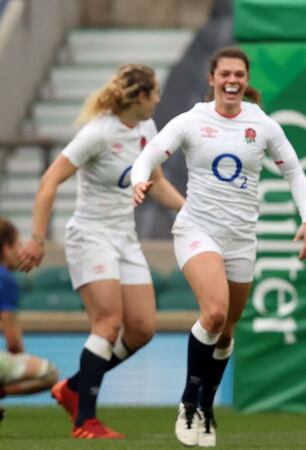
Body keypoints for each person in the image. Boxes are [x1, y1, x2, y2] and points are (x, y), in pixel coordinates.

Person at [130, 46, 306, 448]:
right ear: (212, 79)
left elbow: (295, 173)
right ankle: (187, 402)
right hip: (197, 229)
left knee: (227, 331)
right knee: (213, 313)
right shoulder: (191, 121)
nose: (232, 80)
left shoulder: (262, 125)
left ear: (246, 80)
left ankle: (206, 406)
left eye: (239, 74)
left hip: (241, 240)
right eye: (225, 74)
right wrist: (140, 178)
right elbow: (149, 154)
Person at [16, 64, 184, 439]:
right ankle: (85, 421)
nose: (158, 99)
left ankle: (74, 386)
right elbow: (49, 181)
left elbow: (154, 183)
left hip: (124, 237)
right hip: (90, 236)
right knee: (107, 324)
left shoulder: (147, 129)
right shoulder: (98, 133)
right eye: (155, 93)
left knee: (141, 329)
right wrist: (37, 238)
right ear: (140, 97)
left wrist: (190, 210)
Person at [0, 218, 59, 422]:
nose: (20, 251)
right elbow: (14, 344)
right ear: (6, 248)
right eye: (17, 245)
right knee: (48, 373)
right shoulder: (4, 279)